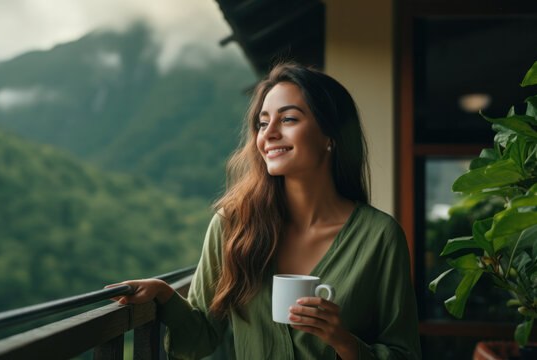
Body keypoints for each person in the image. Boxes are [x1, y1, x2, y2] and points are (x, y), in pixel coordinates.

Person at [106, 63, 422, 359]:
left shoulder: (380, 237)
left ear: (331, 136)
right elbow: (198, 339)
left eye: (288, 119)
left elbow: (404, 353)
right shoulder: (232, 225)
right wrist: (164, 295)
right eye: (262, 122)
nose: (268, 134)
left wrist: (343, 341)